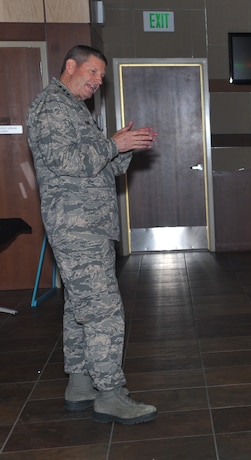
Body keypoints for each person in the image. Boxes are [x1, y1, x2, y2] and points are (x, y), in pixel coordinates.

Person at [25, 45, 158, 424]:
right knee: (103, 311)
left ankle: (81, 386)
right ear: (71, 66)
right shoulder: (51, 106)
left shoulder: (74, 108)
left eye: (101, 76)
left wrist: (123, 148)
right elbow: (66, 162)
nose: (98, 82)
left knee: (82, 309)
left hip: (90, 225)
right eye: (93, 72)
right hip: (76, 226)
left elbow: (99, 166)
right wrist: (112, 143)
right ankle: (111, 393)